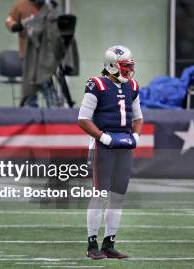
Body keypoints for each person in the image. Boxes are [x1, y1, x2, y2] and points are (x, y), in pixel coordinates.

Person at [77, 45, 144, 259]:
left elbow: (138, 116)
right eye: (124, 67)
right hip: (102, 146)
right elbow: (83, 119)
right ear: (111, 66)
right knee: (100, 195)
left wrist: (136, 135)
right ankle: (92, 244)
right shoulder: (96, 84)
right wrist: (102, 137)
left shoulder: (132, 85)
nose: (128, 71)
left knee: (118, 197)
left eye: (129, 66)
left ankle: (109, 243)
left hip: (123, 146)